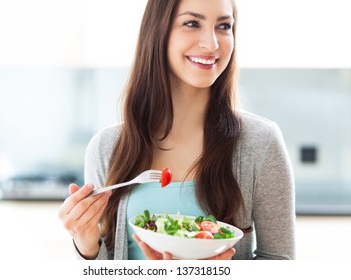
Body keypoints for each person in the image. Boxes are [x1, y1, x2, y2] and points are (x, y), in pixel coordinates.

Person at [58, 0, 296, 260]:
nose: (212, 43)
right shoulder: (107, 147)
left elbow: (280, 264)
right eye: (192, 23)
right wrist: (86, 244)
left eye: (224, 26)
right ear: (158, 31)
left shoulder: (261, 144)